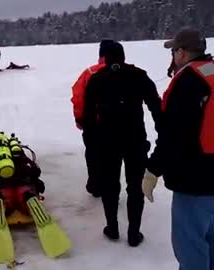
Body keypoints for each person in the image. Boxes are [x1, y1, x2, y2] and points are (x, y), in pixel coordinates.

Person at [142, 29, 214, 270]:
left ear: (182, 52)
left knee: (190, 246)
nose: (173, 56)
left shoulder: (188, 81)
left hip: (196, 184)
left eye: (174, 51)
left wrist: (152, 170)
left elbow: (172, 135)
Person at [82, 41, 161, 247]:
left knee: (110, 186)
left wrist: (92, 145)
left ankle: (112, 228)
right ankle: (134, 233)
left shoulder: (96, 80)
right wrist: (163, 133)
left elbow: (88, 118)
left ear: (104, 58)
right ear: (123, 56)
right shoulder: (139, 75)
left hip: (107, 141)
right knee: (135, 186)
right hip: (135, 139)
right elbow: (157, 107)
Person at [71, 39, 115, 198]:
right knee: (112, 154)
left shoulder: (89, 73)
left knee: (93, 154)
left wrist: (79, 118)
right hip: (117, 124)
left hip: (93, 124)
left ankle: (96, 184)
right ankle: (110, 184)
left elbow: (78, 97)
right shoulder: (124, 71)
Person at [0, 133, 45, 216]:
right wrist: (37, 184)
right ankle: (28, 198)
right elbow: (35, 171)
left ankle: (1, 201)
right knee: (26, 193)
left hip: (3, 187)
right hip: (23, 185)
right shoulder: (18, 151)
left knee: (0, 195)